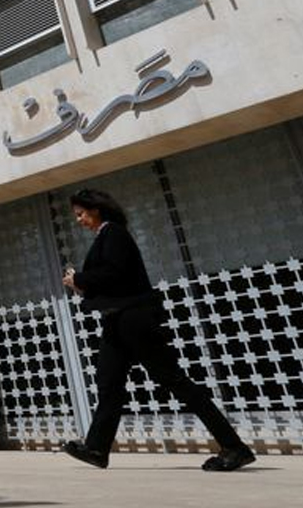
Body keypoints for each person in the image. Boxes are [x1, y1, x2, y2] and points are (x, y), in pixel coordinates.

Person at [59, 188, 255, 472]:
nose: (78, 220)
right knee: (109, 384)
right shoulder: (105, 236)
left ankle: (234, 447)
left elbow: (115, 273)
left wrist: (80, 278)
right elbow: (111, 281)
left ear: (96, 209)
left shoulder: (113, 233)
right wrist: (83, 284)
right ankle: (96, 448)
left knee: (175, 381)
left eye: (80, 214)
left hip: (134, 319)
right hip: (117, 319)